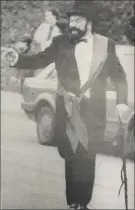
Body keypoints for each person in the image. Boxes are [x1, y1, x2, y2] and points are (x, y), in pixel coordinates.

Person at [6, 1, 130, 209]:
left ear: (88, 24)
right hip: (69, 108)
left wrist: (121, 103)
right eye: (71, 20)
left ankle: (82, 202)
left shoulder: (105, 45)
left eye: (77, 20)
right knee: (70, 155)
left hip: (93, 110)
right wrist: (17, 59)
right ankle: (73, 202)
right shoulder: (60, 42)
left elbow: (119, 77)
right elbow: (39, 60)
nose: (72, 24)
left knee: (88, 157)